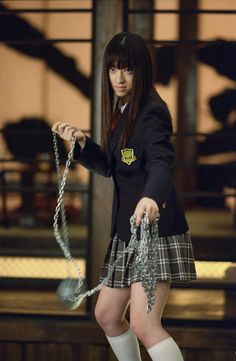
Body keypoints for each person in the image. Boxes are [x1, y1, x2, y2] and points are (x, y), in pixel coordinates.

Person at [52, 32, 197, 361]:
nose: (119, 78)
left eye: (127, 70)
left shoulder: (151, 112)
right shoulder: (123, 110)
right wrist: (82, 144)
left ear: (141, 70)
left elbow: (162, 163)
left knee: (145, 325)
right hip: (128, 232)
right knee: (106, 314)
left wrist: (151, 197)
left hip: (155, 230)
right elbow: (110, 166)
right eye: (113, 69)